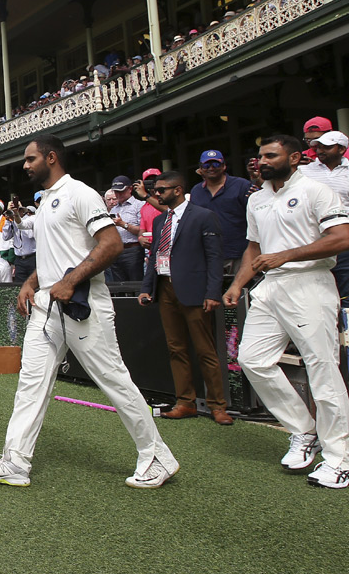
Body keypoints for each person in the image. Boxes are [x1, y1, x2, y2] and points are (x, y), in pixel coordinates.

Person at [0, 135, 178, 489]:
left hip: (83, 303)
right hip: (47, 305)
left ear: (51, 158)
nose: (25, 165)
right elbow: (55, 255)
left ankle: (158, 457)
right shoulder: (47, 201)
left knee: (114, 380)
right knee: (30, 384)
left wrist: (70, 282)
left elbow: (111, 244)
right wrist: (31, 282)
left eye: (31, 158)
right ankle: (15, 463)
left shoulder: (80, 193)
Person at [223, 135, 349, 488]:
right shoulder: (258, 199)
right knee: (252, 359)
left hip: (309, 284)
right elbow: (254, 248)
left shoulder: (317, 190)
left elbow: (343, 239)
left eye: (271, 155)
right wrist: (238, 284)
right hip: (269, 287)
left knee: (322, 369)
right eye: (259, 156)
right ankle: (303, 431)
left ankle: (343, 460)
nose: (262, 161)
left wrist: (285, 255)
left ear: (295, 157)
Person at [138, 171, 232, 424]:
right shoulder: (160, 221)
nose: (157, 194)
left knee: (205, 349)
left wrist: (213, 292)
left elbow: (215, 258)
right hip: (165, 286)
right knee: (175, 348)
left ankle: (217, 405)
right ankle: (185, 402)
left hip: (194, 290)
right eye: (156, 190)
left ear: (178, 190)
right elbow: (155, 256)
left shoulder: (203, 216)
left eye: (161, 190)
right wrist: (147, 287)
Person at [300, 130, 349, 357]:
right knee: (315, 294)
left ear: (342, 150)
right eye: (318, 146)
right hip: (315, 241)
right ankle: (323, 343)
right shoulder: (303, 172)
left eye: (326, 146)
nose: (319, 150)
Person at [190, 150, 253, 277]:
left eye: (216, 164)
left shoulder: (242, 185)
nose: (211, 168)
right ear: (200, 169)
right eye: (207, 166)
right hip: (209, 254)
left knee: (241, 293)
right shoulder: (196, 191)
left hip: (239, 252)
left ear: (224, 166)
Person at [107, 176, 146, 282]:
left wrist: (123, 224)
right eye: (116, 192)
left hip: (133, 250)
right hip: (117, 251)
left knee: (135, 282)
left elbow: (142, 230)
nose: (118, 194)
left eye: (121, 191)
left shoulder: (139, 205)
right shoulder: (114, 209)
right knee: (119, 286)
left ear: (130, 189)